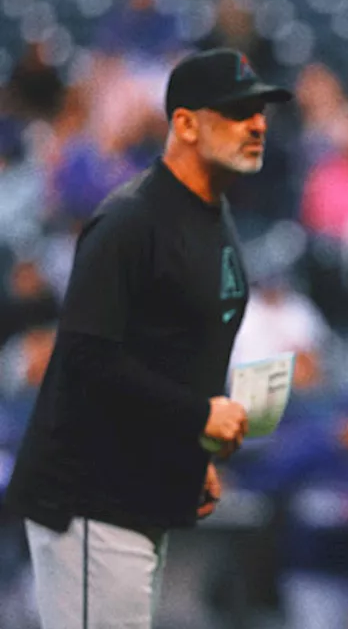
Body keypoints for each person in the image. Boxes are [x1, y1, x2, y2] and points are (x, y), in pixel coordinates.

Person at [3, 48, 293, 627]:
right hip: (89, 492)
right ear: (184, 123)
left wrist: (190, 453)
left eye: (259, 110)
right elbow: (87, 357)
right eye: (236, 111)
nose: (257, 123)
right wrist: (195, 417)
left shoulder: (214, 217)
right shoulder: (130, 221)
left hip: (139, 486)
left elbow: (177, 350)